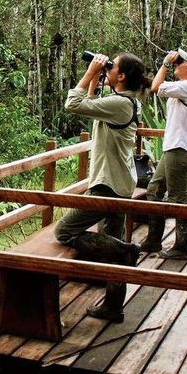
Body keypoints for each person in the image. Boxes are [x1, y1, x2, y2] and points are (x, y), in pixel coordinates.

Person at [54, 52, 151, 323]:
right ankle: (112, 306)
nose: (108, 69)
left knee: (65, 231)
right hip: (121, 182)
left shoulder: (120, 103)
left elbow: (73, 103)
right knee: (111, 244)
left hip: (107, 185)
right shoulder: (126, 101)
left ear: (121, 76)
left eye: (112, 67)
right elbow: (91, 103)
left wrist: (90, 72)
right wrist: (98, 73)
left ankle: (125, 249)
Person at [142, 49, 187, 259]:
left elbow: (155, 87)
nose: (176, 63)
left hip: (179, 149)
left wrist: (164, 63)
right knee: (154, 190)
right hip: (173, 148)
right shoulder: (185, 87)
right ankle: (153, 240)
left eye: (180, 62)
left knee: (177, 198)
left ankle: (182, 246)